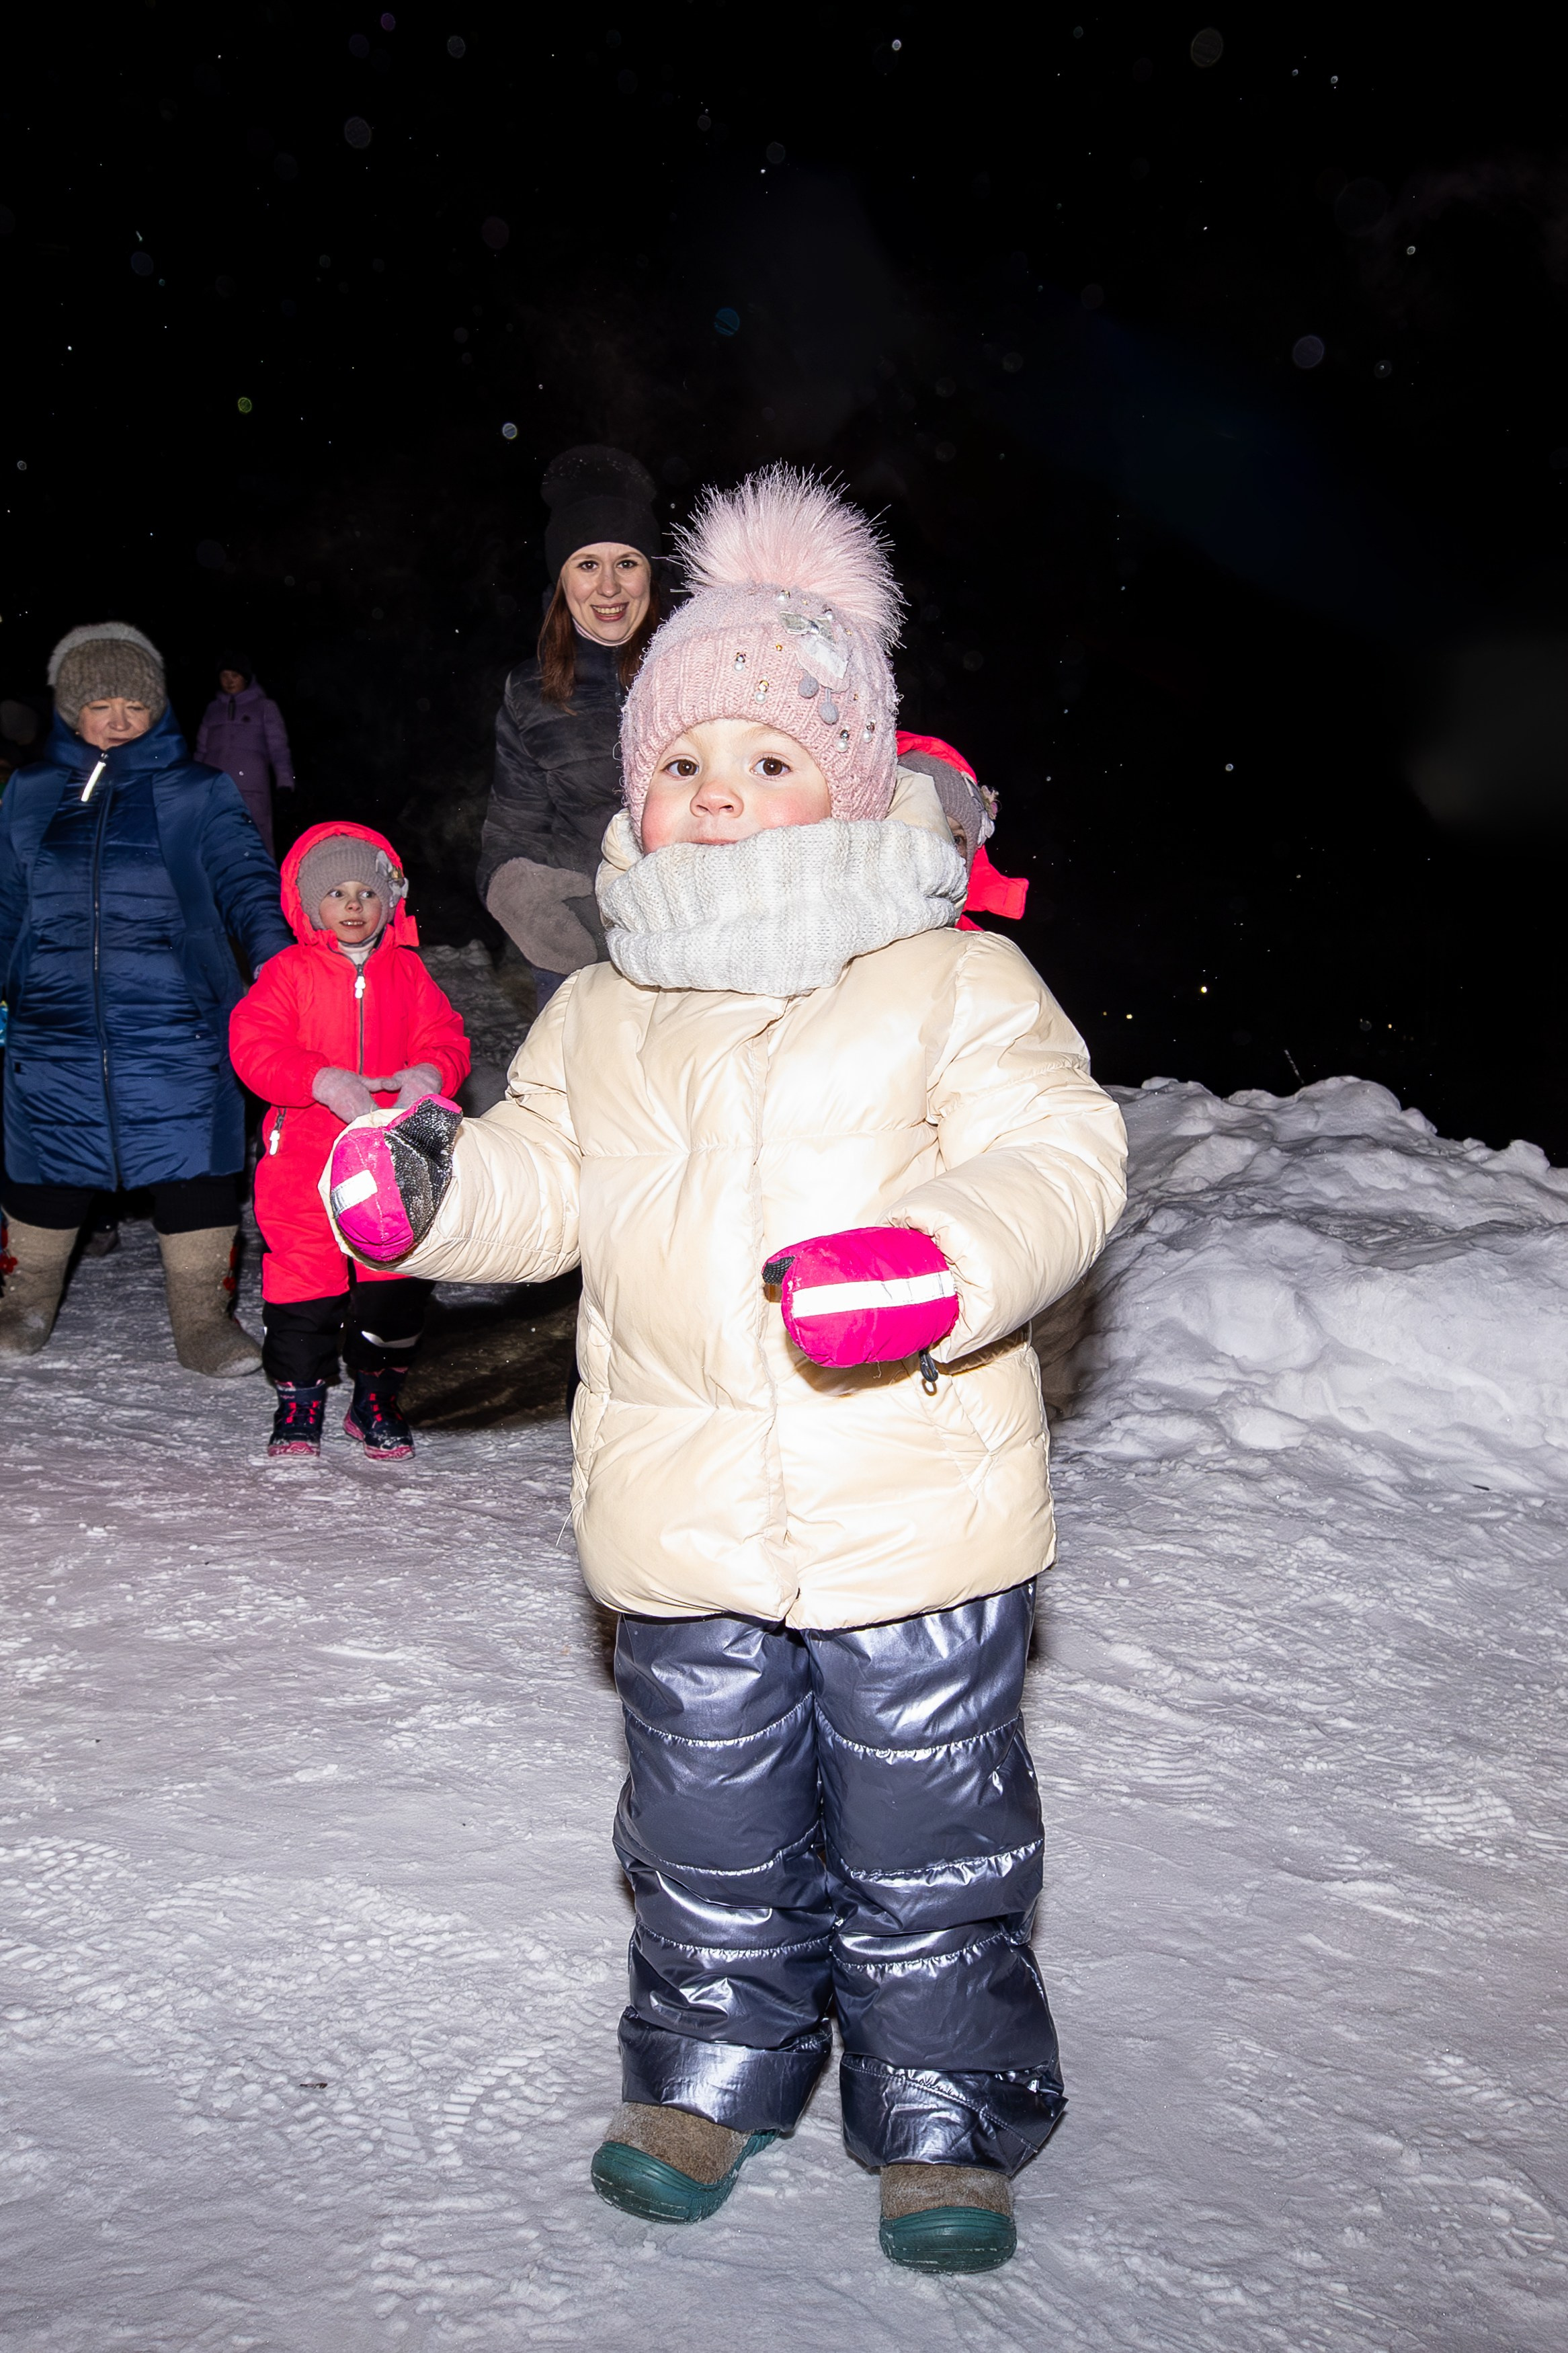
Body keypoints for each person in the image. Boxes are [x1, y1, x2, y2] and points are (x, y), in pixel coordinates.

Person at [321, 473, 1126, 2272]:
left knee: (927, 1842)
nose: (720, 797)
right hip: (679, 1514)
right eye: (684, 765)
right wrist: (439, 1188)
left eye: (770, 761)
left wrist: (937, 1262)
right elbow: (552, 1171)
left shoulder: (946, 979)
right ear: (637, 792)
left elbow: (1055, 1161)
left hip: (909, 1504)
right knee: (701, 1827)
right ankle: (705, 2068)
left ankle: (941, 2112)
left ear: (847, 776)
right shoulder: (612, 1007)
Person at [0, 622, 293, 1372]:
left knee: (194, 1161)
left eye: (135, 703)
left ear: (158, 707)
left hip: (179, 1017)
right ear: (71, 712)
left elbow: (248, 887)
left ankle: (203, 1320)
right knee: (46, 1162)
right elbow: (5, 902)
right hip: (54, 1019)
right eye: (100, 704)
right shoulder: (29, 794)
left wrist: (282, 971)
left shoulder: (195, 791)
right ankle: (24, 1302)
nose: (118, 719)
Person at [229, 822, 470, 1460]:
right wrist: (317, 1079)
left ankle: (375, 1400)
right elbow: (254, 1047)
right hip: (304, 1154)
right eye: (336, 892)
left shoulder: (409, 973)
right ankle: (300, 1401)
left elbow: (446, 1037)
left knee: (390, 1279)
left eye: (367, 891)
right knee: (303, 1280)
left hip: (390, 1156)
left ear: (391, 901)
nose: (354, 905)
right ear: (310, 906)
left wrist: (430, 1073)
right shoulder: (287, 973)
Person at [477, 444, 661, 1009]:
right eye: (587, 565)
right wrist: (518, 900)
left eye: (627, 563)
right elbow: (512, 831)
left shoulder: (699, 665)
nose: (608, 588)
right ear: (562, 580)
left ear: (651, 573)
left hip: (699, 943)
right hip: (582, 950)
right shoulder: (530, 694)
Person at [194, 653, 296, 858]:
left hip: (252, 790)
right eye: (225, 676)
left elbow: (279, 749)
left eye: (235, 675)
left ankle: (260, 885)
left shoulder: (265, 707)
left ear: (246, 678)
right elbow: (201, 750)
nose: (229, 681)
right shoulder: (213, 709)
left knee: (255, 842)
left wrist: (285, 783)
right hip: (215, 789)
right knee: (216, 841)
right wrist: (193, 782)